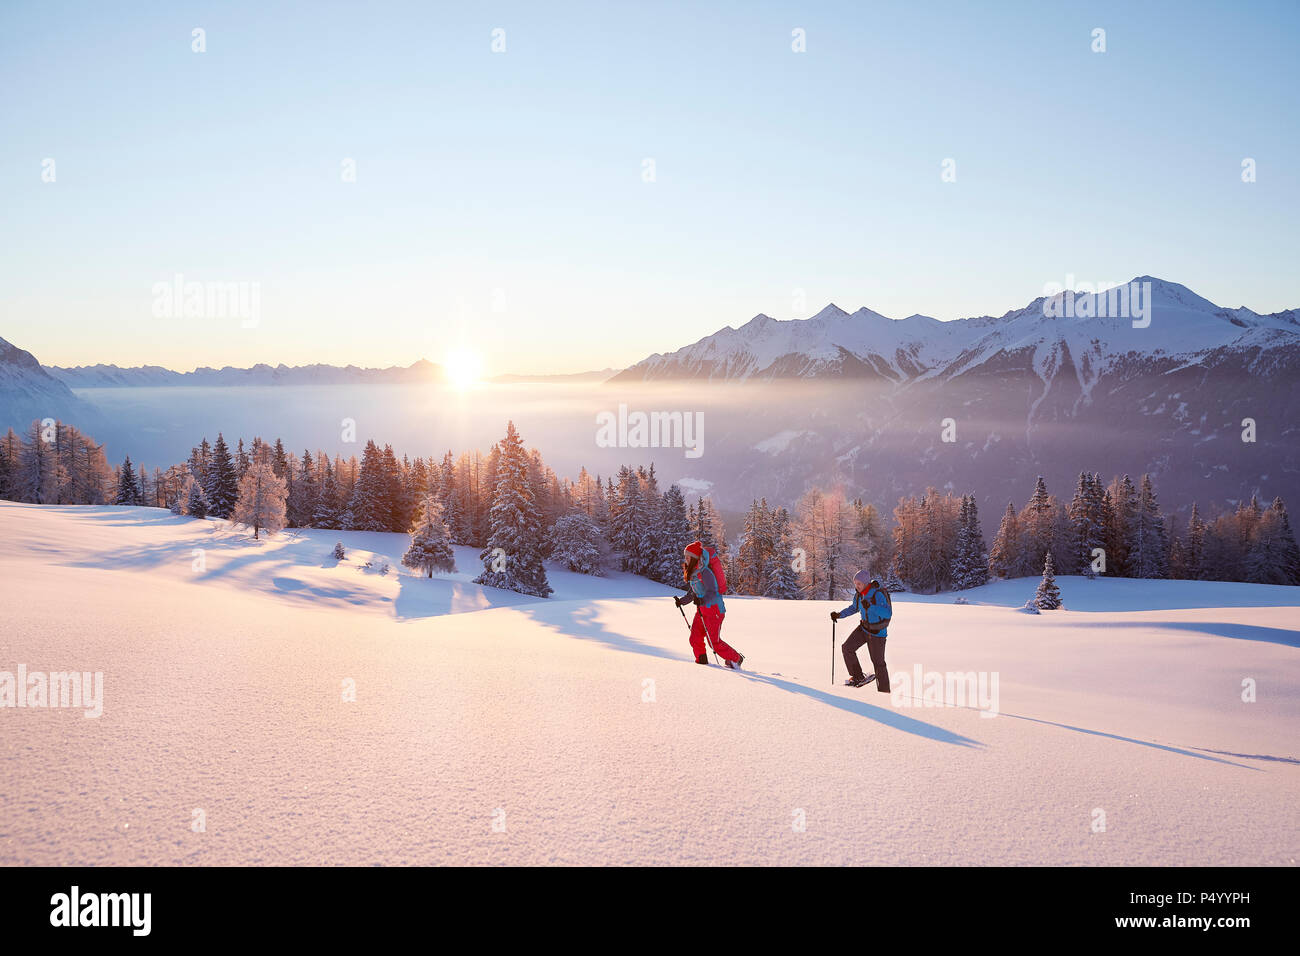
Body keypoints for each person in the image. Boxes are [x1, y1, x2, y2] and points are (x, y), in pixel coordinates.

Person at [674, 540, 744, 669]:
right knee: (695, 637)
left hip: (715, 610)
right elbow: (693, 592)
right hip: (702, 610)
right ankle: (702, 664)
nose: (686, 559)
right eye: (685, 556)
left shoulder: (705, 572)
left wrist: (703, 600)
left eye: (688, 556)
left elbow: (713, 591)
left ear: (695, 558)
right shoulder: (694, 573)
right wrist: (682, 601)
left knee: (714, 642)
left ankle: (736, 658)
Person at [831, 570, 891, 690]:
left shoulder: (877, 594)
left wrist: (871, 607)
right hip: (864, 629)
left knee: (878, 663)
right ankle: (858, 676)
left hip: (877, 633)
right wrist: (839, 615)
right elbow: (854, 608)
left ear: (866, 583)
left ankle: (884, 692)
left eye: (859, 583)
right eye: (855, 583)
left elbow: (887, 613)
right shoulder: (859, 595)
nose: (856, 586)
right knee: (847, 648)